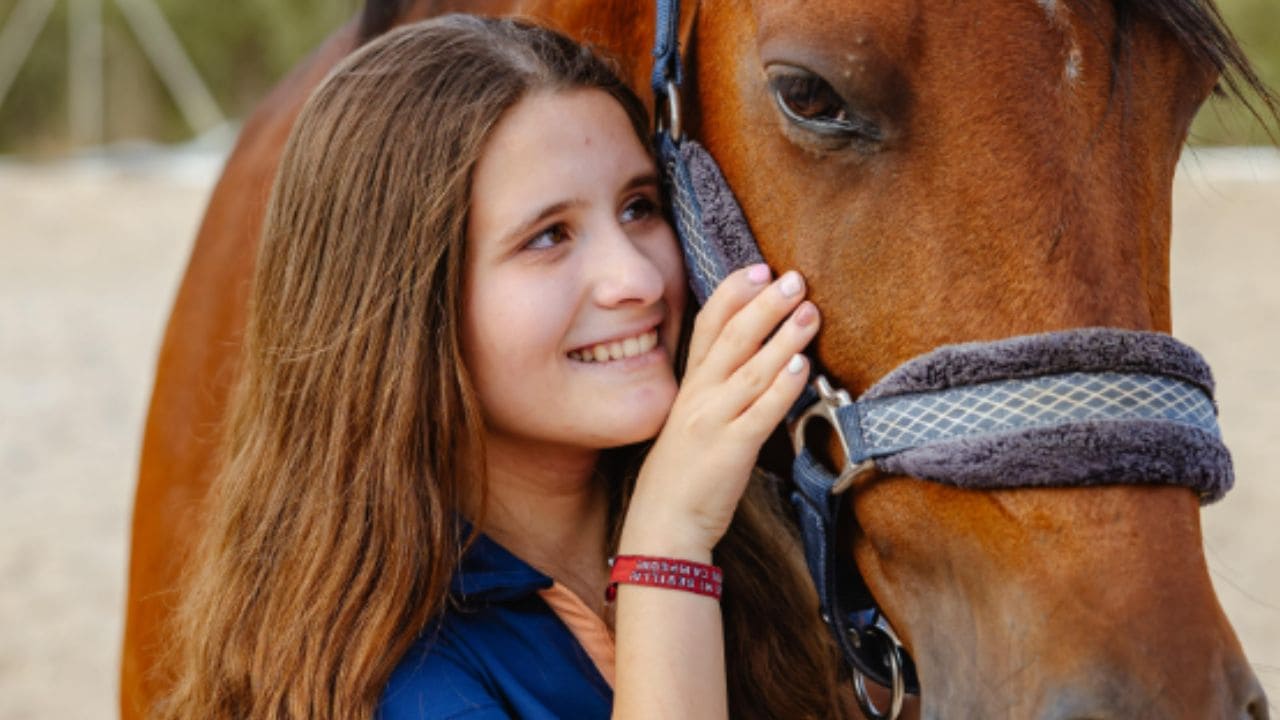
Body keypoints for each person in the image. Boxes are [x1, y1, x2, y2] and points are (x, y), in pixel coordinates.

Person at [160, 14, 850, 720]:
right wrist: (668, 543)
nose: (636, 277)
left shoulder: (763, 529)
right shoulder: (394, 680)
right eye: (549, 237)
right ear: (405, 307)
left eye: (639, 207)